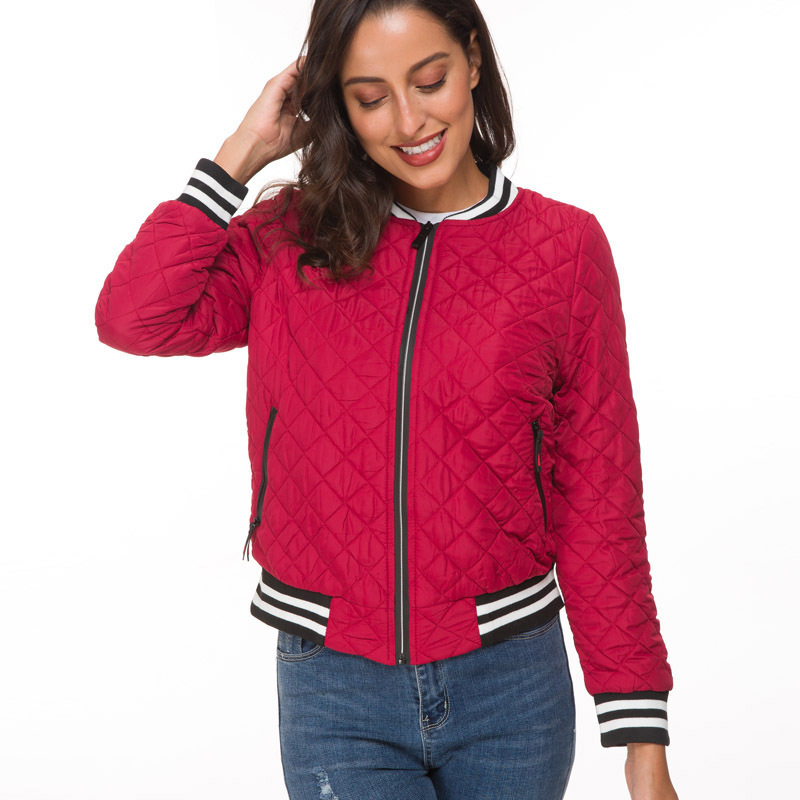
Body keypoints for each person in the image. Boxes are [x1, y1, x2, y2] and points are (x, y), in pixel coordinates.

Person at [94, 1, 678, 798]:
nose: (409, 121)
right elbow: (135, 316)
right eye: (371, 97)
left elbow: (599, 496)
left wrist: (641, 737)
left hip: (511, 684)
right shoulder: (291, 238)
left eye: (430, 81)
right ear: (337, 106)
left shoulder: (563, 251)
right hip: (334, 683)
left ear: (473, 60)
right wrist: (242, 153)